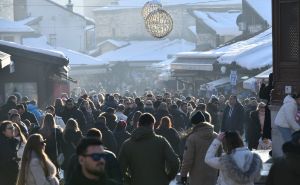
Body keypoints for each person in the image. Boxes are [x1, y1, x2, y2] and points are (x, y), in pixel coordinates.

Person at [119, 113, 180, 185]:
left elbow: (120, 168)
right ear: (152, 125)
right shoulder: (161, 141)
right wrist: (168, 178)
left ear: (138, 124)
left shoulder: (127, 144)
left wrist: (129, 181)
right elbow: (175, 162)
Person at [180, 111, 219, 185]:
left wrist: (183, 174)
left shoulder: (192, 138)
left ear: (194, 124)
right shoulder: (216, 136)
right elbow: (220, 155)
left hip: (197, 175)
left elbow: (188, 159)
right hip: (212, 173)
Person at [0, 121, 19, 185]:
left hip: (13, 175)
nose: (13, 129)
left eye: (13, 127)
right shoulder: (2, 143)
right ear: (3, 131)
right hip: (4, 175)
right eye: (10, 128)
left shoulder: (14, 141)